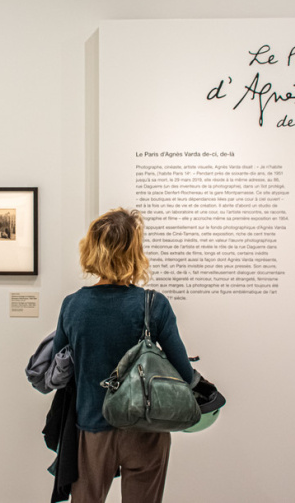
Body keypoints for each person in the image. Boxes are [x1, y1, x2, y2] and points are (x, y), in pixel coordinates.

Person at [52, 208, 194, 503]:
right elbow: (183, 372)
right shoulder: (154, 305)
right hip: (146, 427)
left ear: (92, 248)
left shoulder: (73, 306)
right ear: (134, 251)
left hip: (92, 428)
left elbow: (61, 369)